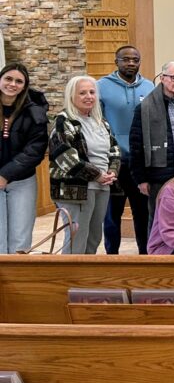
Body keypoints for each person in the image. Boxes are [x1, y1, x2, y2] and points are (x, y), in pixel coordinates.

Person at [49, 76, 120, 254]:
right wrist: (96, 174)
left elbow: (114, 149)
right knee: (76, 238)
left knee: (94, 236)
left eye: (92, 92)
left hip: (102, 186)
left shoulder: (101, 121)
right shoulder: (63, 121)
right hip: (76, 189)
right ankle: (71, 279)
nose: (88, 96)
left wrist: (112, 171)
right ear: (71, 96)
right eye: (82, 93)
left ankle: (86, 278)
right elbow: (64, 156)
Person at [97, 46, 155, 254]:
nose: (131, 63)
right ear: (117, 61)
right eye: (126, 59)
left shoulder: (149, 86)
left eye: (135, 59)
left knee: (143, 214)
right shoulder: (101, 86)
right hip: (114, 163)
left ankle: (145, 257)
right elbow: (98, 122)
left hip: (140, 163)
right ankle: (112, 257)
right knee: (112, 215)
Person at [129, 60, 174, 237]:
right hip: (159, 174)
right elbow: (136, 144)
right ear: (163, 78)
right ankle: (156, 256)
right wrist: (140, 178)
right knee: (159, 218)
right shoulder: (146, 107)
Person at [0, 63, 48, 253]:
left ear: (25, 86)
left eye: (19, 81)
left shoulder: (34, 111)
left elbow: (35, 149)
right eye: (8, 79)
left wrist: (5, 174)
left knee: (20, 239)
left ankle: (16, 281)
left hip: (22, 180)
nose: (13, 84)